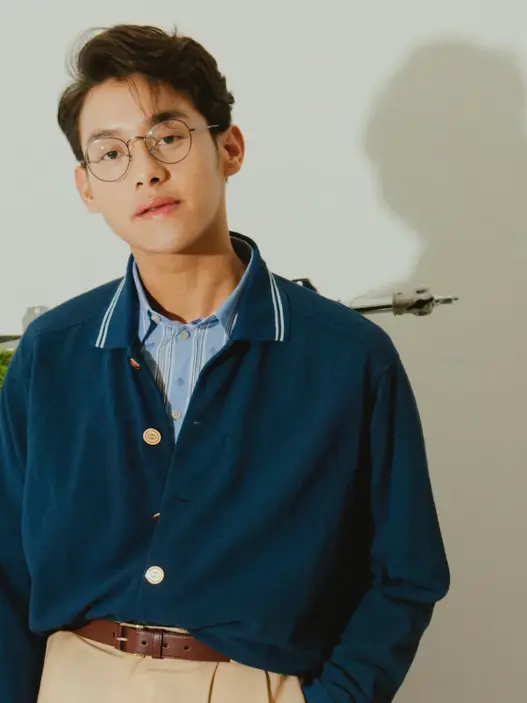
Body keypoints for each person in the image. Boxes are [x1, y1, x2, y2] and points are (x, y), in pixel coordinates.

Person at [0, 23, 450, 703]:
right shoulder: (52, 351)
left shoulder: (348, 356)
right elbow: (6, 568)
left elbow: (405, 574)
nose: (146, 170)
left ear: (229, 147)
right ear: (86, 188)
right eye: (111, 153)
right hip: (73, 680)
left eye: (168, 136)